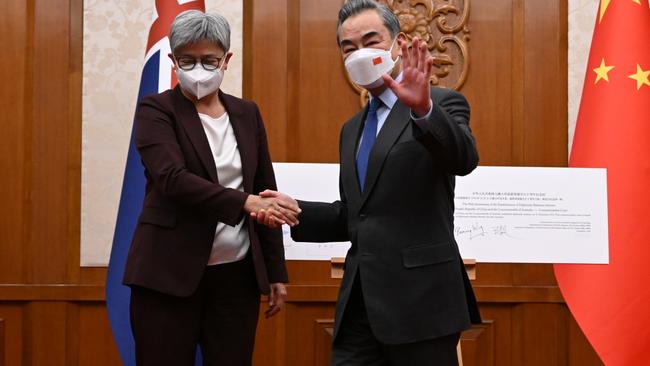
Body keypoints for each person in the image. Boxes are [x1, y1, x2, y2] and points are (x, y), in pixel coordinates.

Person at [253, 0, 481, 364]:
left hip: (423, 306)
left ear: (398, 43)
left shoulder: (442, 103)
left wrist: (423, 111)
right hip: (360, 303)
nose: (360, 53)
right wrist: (296, 212)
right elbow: (359, 215)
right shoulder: (352, 129)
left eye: (371, 41)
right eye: (349, 47)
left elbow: (463, 159)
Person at [122, 10, 300, 366]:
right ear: (173, 60)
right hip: (167, 276)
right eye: (187, 60)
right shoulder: (156, 110)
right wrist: (244, 202)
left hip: (235, 278)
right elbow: (172, 178)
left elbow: (265, 190)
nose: (198, 69)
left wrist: (275, 272)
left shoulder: (247, 113)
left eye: (209, 60)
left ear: (226, 60)